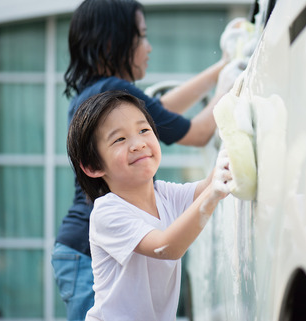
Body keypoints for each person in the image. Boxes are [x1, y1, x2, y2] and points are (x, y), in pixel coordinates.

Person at [51, 0, 246, 320]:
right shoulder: (114, 95)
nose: (149, 47)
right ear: (115, 42)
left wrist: (221, 68)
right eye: (141, 36)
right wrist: (229, 91)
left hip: (78, 247)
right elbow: (195, 132)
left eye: (144, 131)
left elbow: (159, 112)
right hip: (95, 249)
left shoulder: (96, 97)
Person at [67, 90, 231, 320]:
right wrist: (214, 191)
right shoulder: (107, 212)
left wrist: (233, 147)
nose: (138, 144)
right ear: (94, 166)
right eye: (119, 139)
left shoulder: (165, 194)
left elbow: (208, 185)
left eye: (144, 130)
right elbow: (166, 247)